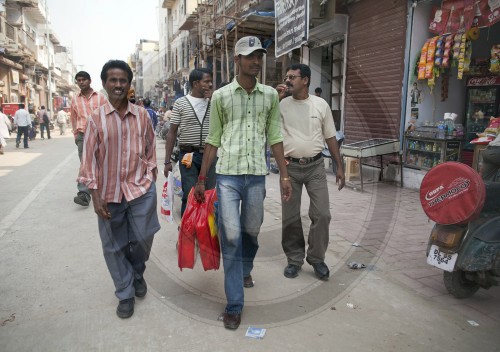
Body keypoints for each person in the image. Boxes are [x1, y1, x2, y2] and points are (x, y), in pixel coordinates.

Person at [194, 36, 292, 330]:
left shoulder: (270, 97)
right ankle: (234, 303)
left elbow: (275, 137)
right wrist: (201, 179)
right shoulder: (221, 96)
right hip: (227, 176)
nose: (256, 61)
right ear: (237, 60)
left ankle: (246, 268)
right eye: (250, 56)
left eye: (259, 56)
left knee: (251, 230)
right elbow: (213, 140)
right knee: (232, 237)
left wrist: (284, 175)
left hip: (256, 176)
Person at [77, 60, 160, 319]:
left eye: (123, 80)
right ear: (104, 84)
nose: (118, 85)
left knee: (144, 237)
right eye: (113, 80)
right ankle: (125, 291)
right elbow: (88, 159)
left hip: (140, 189)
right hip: (109, 192)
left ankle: (136, 272)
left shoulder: (142, 115)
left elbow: (150, 148)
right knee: (114, 246)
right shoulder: (95, 119)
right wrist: (95, 195)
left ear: (129, 84)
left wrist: (150, 175)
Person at [276, 63, 345, 281]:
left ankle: (316, 258)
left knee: (322, 214)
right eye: (287, 77)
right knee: (290, 216)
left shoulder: (320, 105)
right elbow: (272, 136)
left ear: (305, 80)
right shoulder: (281, 105)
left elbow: (330, 137)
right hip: (290, 168)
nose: (288, 81)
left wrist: (339, 166)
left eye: (292, 77)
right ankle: (294, 259)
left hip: (315, 167)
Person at [164, 68, 216, 217]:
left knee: (209, 194)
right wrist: (167, 161)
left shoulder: (215, 102)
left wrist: (213, 99)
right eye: (207, 81)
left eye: (211, 81)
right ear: (195, 83)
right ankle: (187, 233)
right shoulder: (181, 103)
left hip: (210, 156)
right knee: (190, 194)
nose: (210, 84)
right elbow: (172, 132)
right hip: (188, 156)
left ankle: (206, 233)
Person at [70, 71, 108, 207]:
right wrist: (75, 134)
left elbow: (107, 115)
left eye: (84, 80)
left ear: (90, 80)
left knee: (100, 163)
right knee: (84, 164)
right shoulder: (74, 99)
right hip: (82, 134)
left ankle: (102, 189)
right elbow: (73, 118)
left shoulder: (101, 98)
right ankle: (84, 194)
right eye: (78, 80)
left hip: (99, 134)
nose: (81, 82)